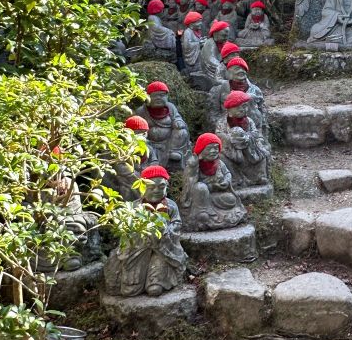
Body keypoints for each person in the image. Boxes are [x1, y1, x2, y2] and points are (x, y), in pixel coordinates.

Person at [103, 165, 186, 297]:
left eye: (161, 187)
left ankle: (157, 280)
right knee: (130, 290)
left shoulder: (170, 206)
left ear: (166, 187)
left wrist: (166, 231)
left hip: (164, 249)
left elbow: (176, 223)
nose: (156, 191)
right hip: (139, 249)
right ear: (142, 188)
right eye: (151, 187)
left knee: (155, 289)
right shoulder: (135, 207)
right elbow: (126, 230)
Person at [179, 133, 246, 231]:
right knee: (200, 187)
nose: (213, 151)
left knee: (232, 199)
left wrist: (226, 181)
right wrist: (209, 186)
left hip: (216, 195)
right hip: (201, 199)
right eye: (210, 148)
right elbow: (190, 184)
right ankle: (202, 212)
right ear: (201, 150)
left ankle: (212, 213)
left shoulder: (219, 163)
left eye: (216, 148)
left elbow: (227, 173)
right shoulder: (194, 164)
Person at [134, 81, 191, 169]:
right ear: (147, 97)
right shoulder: (141, 111)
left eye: (161, 95)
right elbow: (134, 126)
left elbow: (177, 118)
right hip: (150, 142)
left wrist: (178, 122)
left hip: (170, 142)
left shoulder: (170, 108)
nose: (158, 98)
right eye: (154, 96)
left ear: (167, 97)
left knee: (182, 131)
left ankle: (175, 151)